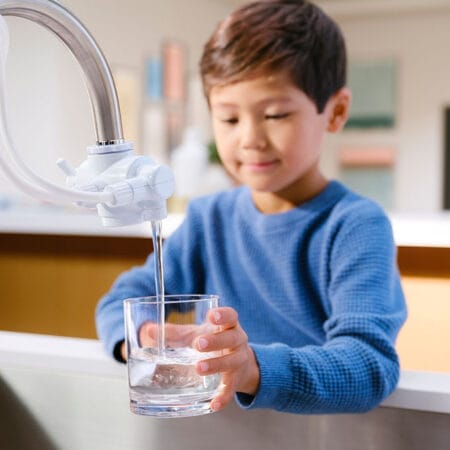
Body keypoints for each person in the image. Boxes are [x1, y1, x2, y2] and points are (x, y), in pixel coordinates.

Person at [96, 0, 407, 415]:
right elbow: (123, 300)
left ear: (336, 111)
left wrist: (252, 367)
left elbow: (368, 365)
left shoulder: (354, 225)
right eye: (228, 119)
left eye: (275, 114)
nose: (250, 139)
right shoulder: (210, 219)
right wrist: (142, 335)